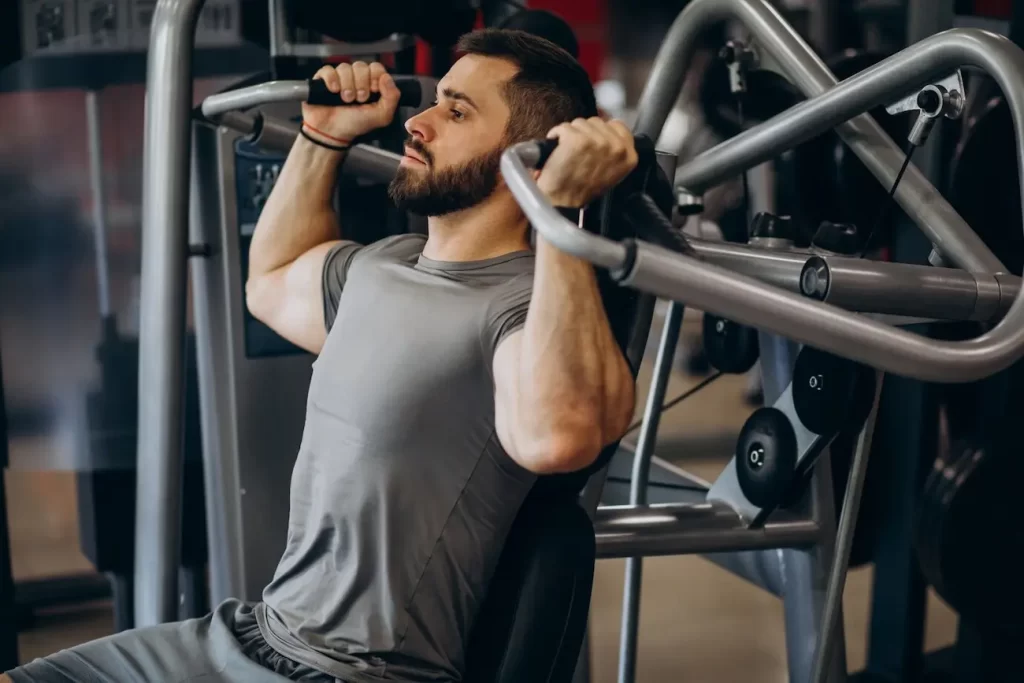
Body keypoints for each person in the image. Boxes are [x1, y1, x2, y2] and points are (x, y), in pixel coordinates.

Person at [4, 28, 637, 683]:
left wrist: (560, 212)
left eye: (456, 111)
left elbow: (560, 434)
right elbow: (270, 281)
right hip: (250, 630)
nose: (417, 123)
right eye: (434, 103)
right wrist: (323, 137)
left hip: (354, 670)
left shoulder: (523, 308)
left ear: (531, 159)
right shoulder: (381, 262)